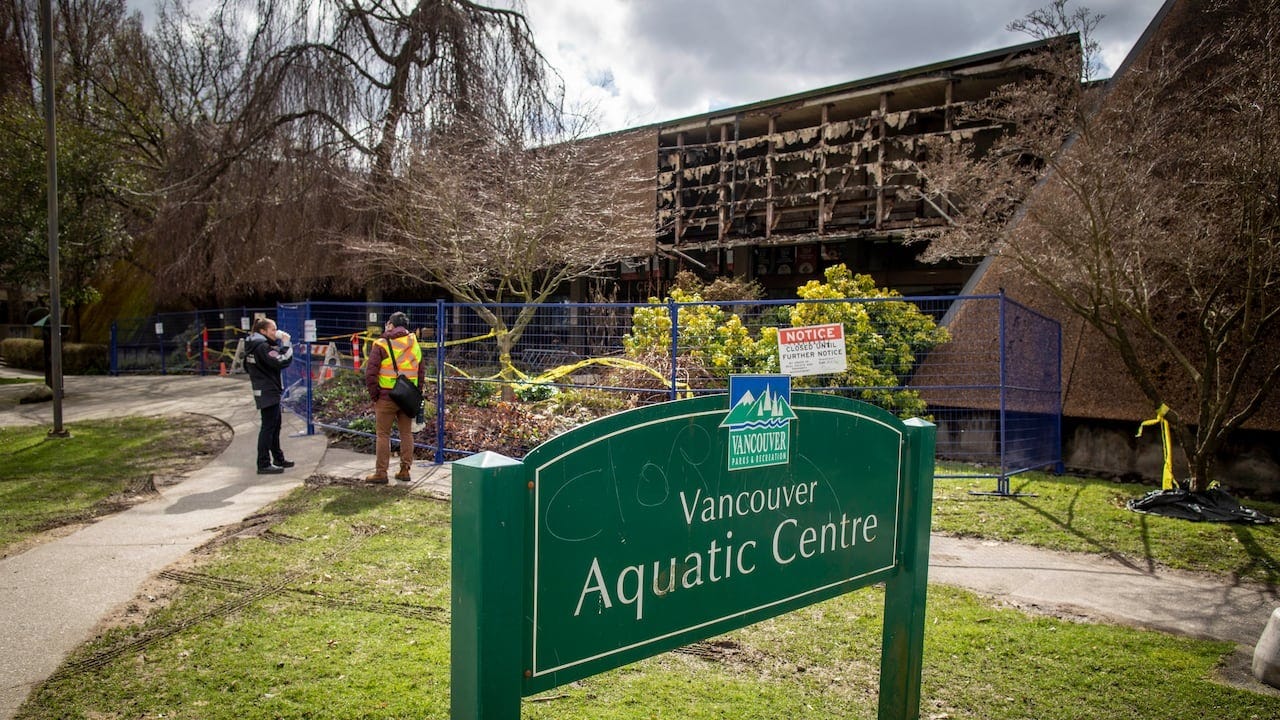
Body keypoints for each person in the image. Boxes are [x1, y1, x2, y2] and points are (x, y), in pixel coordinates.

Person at [364, 312, 425, 484]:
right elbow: (421, 372)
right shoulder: (414, 344)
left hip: (386, 397)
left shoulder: (381, 344)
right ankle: (405, 470)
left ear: (391, 325)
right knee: (406, 433)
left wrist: (375, 395)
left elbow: (370, 373)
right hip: (407, 396)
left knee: (383, 434)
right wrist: (415, 393)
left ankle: (381, 473)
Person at [244, 317, 295, 474]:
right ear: (263, 331)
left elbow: (248, 366)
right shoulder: (262, 347)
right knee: (268, 428)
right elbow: (282, 360)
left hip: (266, 389)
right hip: (268, 391)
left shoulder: (255, 345)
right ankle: (263, 463)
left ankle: (278, 458)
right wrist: (286, 343)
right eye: (273, 329)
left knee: (274, 426)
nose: (276, 332)